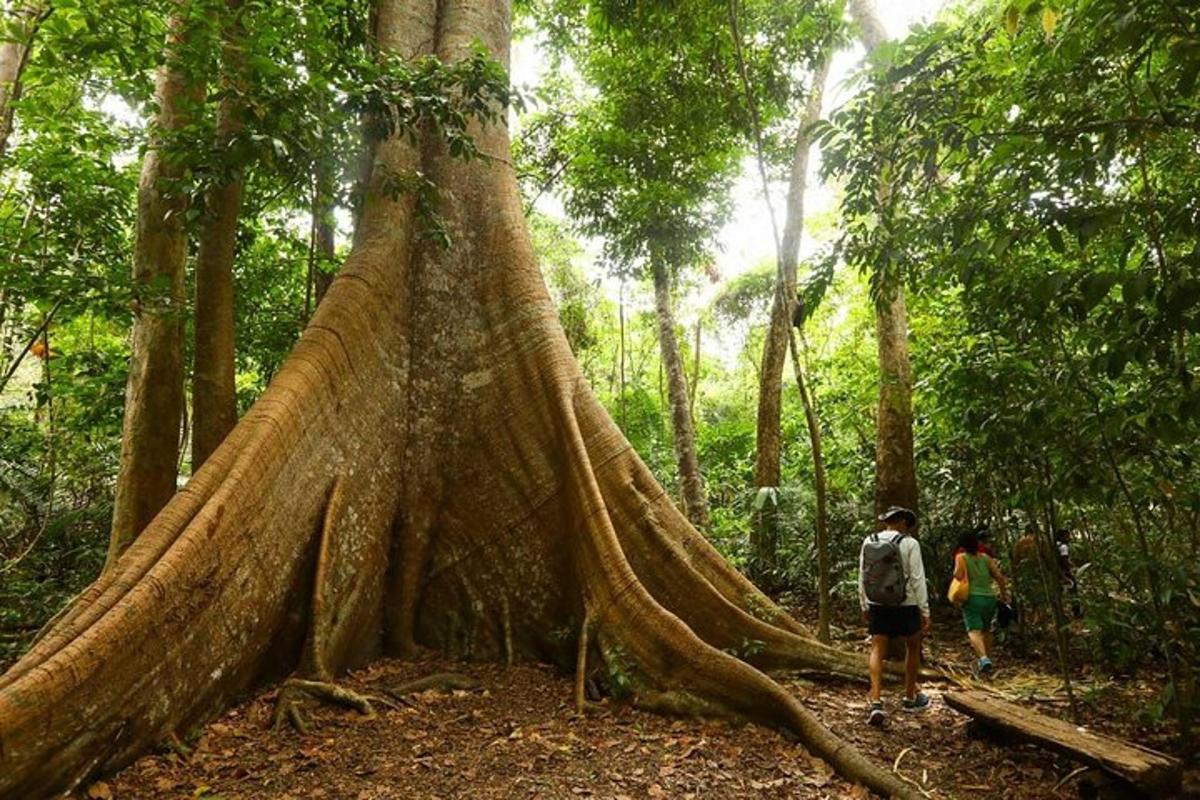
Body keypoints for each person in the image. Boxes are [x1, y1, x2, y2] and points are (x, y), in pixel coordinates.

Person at [858, 506, 931, 727]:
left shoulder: (869, 540)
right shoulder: (909, 543)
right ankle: (909, 697)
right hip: (905, 603)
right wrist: (925, 610)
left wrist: (864, 604)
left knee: (877, 648)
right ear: (901, 523)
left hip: (877, 603)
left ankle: (876, 700)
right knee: (912, 646)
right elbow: (918, 578)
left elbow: (862, 574)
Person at [952, 529, 1011, 676]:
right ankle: (985, 660)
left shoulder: (961, 557)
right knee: (986, 630)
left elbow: (958, 575)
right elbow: (999, 577)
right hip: (989, 598)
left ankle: (983, 659)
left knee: (973, 630)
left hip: (972, 598)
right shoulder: (986, 557)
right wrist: (1004, 595)